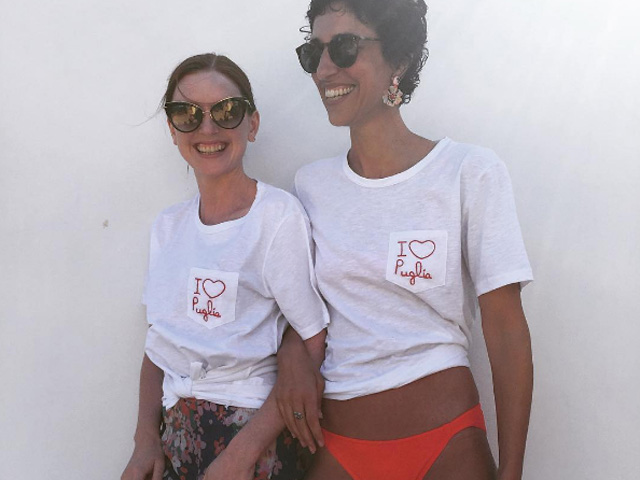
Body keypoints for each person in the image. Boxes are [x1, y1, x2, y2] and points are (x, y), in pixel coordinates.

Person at [275, 1, 534, 479]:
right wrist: (291, 354)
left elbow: (506, 330)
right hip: (341, 444)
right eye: (313, 53)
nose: (324, 69)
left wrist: (513, 472)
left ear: (399, 59)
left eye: (344, 47)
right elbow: (302, 307)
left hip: (447, 444)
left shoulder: (468, 172)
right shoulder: (310, 187)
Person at [121, 53, 328, 480]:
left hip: (253, 439)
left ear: (252, 124)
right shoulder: (167, 227)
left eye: (227, 111)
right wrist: (144, 441)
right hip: (174, 436)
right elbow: (158, 345)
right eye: (188, 114)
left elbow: (313, 340)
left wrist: (239, 457)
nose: (208, 128)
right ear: (172, 129)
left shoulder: (276, 217)